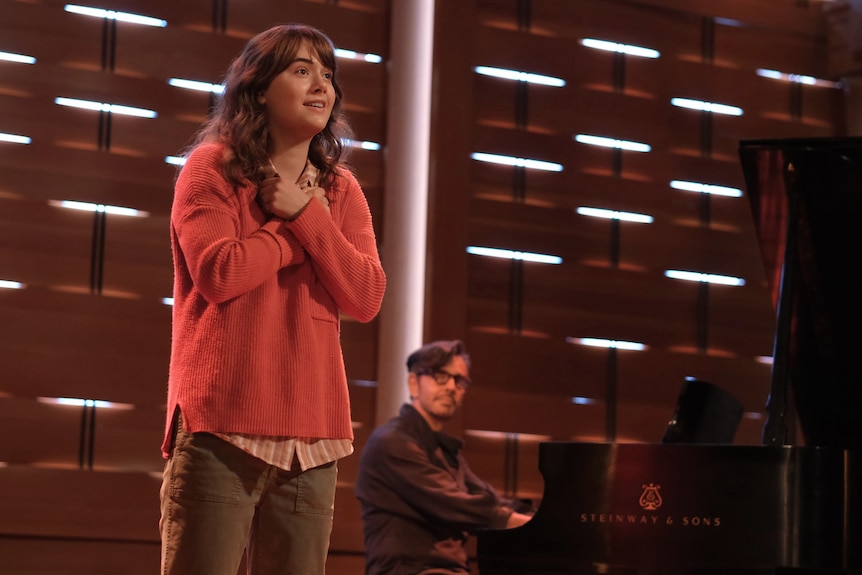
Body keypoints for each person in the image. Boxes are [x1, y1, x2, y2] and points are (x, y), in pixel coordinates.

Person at [159, 23, 386, 575]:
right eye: (302, 70)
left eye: (328, 75)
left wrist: (307, 214)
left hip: (314, 438)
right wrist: (293, 233)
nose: (322, 86)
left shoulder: (340, 190)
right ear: (259, 89)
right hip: (222, 424)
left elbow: (366, 295)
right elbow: (220, 273)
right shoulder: (211, 167)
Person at [355, 340, 534, 575]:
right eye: (440, 375)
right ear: (413, 383)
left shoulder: (445, 451)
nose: (451, 386)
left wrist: (535, 517)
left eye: (459, 380)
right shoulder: (392, 442)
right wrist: (525, 524)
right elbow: (456, 503)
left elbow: (486, 496)